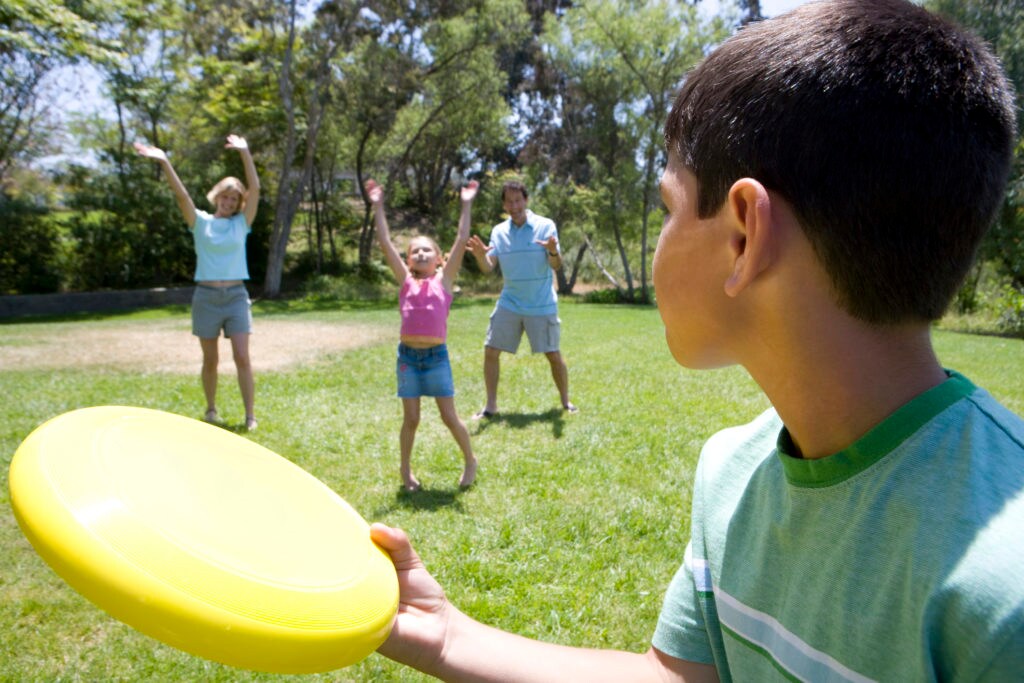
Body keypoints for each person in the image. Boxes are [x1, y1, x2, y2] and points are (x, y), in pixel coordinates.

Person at [368, 0, 1024, 679]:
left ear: (743, 236)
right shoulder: (731, 475)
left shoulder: (1007, 593)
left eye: (667, 207)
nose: (662, 232)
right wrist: (448, 637)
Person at [135, 135, 261, 431]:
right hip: (206, 297)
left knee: (242, 357)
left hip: (235, 297)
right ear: (217, 197)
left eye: (234, 199)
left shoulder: (241, 224)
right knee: (210, 360)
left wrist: (245, 152)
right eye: (225, 197)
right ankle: (211, 409)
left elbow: (255, 188)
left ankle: (250, 416)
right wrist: (164, 161)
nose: (228, 202)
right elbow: (182, 196)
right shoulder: (200, 222)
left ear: (239, 203)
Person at [367, 178, 480, 492]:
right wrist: (378, 206)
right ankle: (406, 472)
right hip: (408, 359)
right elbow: (384, 241)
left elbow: (461, 238)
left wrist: (466, 204)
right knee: (411, 419)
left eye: (427, 250)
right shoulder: (405, 281)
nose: (420, 254)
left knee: (449, 416)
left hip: (435, 358)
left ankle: (470, 460)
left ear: (439, 258)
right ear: (407, 260)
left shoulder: (443, 281)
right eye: (414, 251)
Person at [467, 180, 577, 418]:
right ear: (504, 205)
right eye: (509, 201)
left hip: (541, 303)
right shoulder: (499, 232)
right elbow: (488, 267)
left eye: (518, 200)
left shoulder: (546, 226)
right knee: (490, 350)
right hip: (510, 303)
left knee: (553, 354)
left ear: (526, 200)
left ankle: (565, 402)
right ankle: (490, 407)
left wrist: (552, 250)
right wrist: (479, 256)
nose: (514, 206)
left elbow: (556, 265)